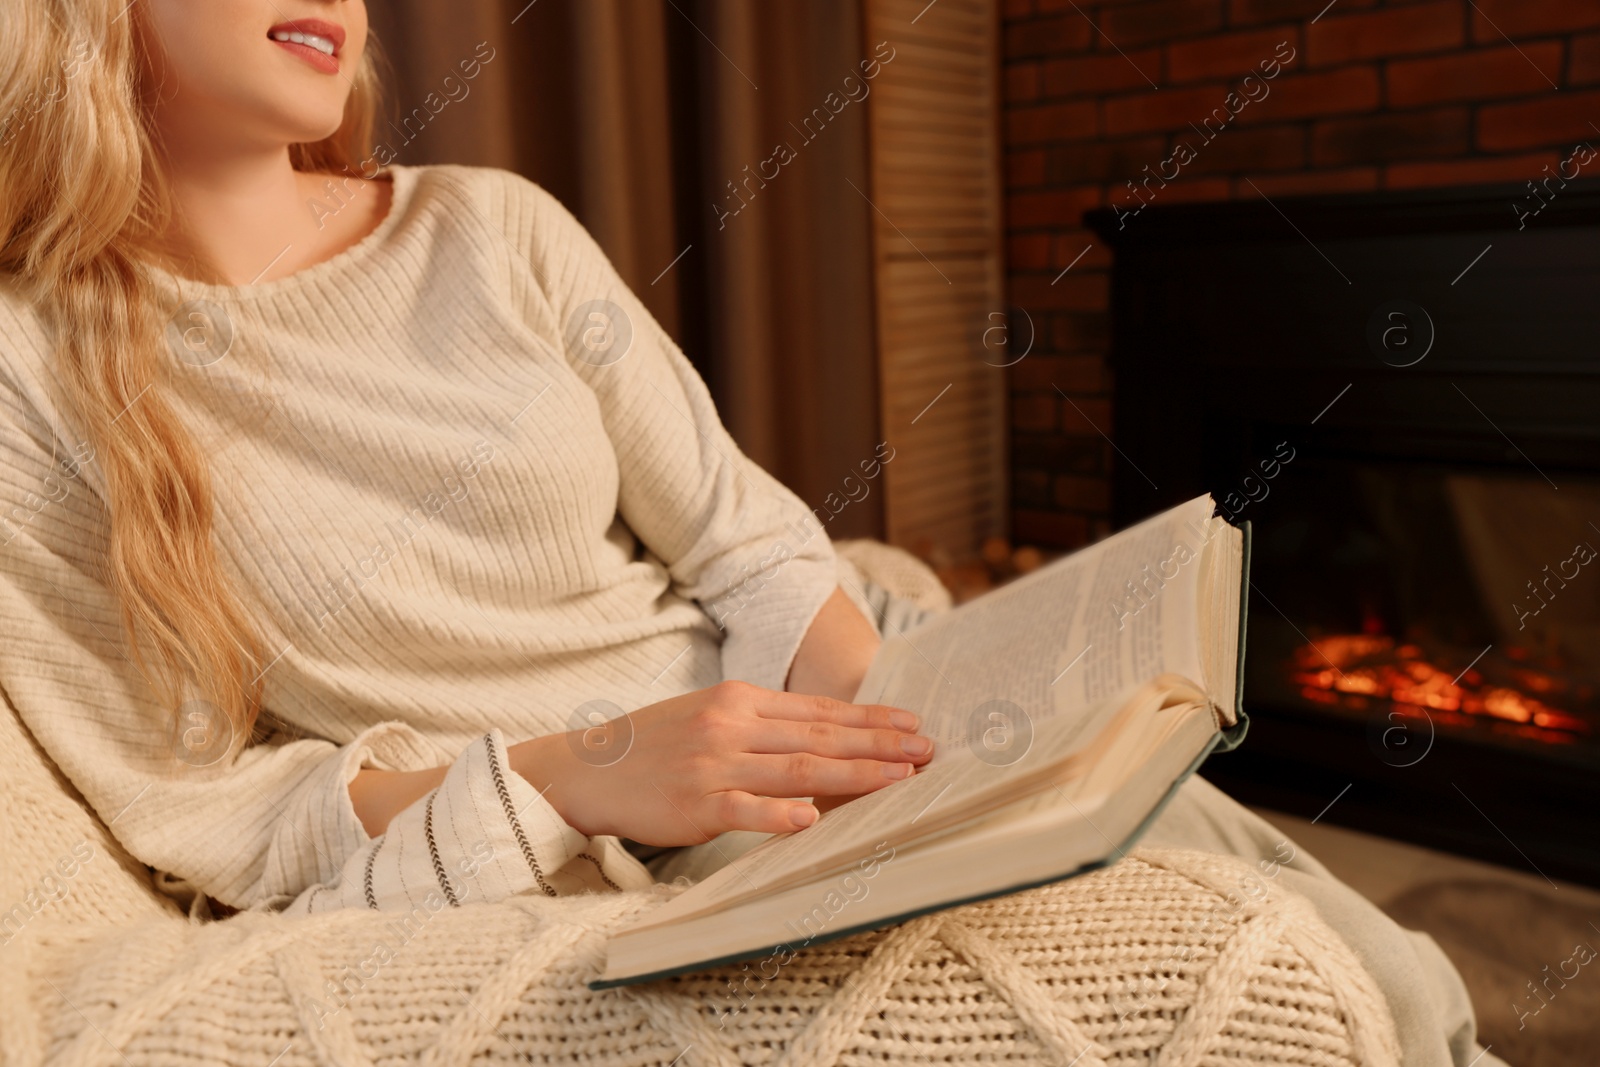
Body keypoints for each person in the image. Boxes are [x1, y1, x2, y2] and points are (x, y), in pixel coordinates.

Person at [0, 3, 1498, 1064]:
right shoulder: (34, 365)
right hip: (637, 822)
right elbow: (203, 804)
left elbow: (742, 535)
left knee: (1382, 972)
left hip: (850, 694)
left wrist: (894, 737)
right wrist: (579, 775)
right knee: (1289, 990)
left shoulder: (492, 225)